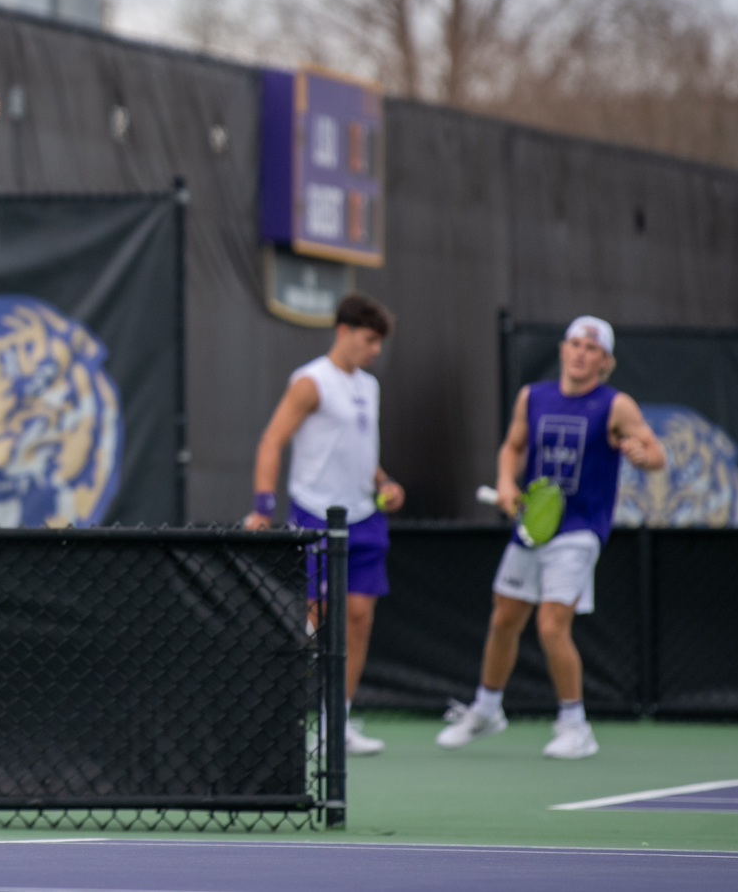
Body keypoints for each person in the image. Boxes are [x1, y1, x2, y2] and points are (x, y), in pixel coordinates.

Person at [435, 316, 665, 760]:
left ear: (605, 361)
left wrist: (642, 454)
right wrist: (505, 482)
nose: (580, 353)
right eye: (574, 344)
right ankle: (486, 710)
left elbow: (654, 453)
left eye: (591, 348)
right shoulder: (533, 397)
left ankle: (575, 726)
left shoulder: (615, 406)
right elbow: (514, 446)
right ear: (562, 350)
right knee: (504, 618)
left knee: (550, 624)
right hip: (533, 529)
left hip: (580, 531)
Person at [243, 293, 404, 757]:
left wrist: (385, 482)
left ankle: (339, 721)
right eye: (369, 340)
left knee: (358, 618)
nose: (375, 350)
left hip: (366, 518)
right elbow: (272, 440)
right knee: (315, 621)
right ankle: (295, 717)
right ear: (343, 332)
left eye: (379, 342)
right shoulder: (310, 382)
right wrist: (261, 507)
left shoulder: (369, 386)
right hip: (315, 514)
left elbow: (360, 452)